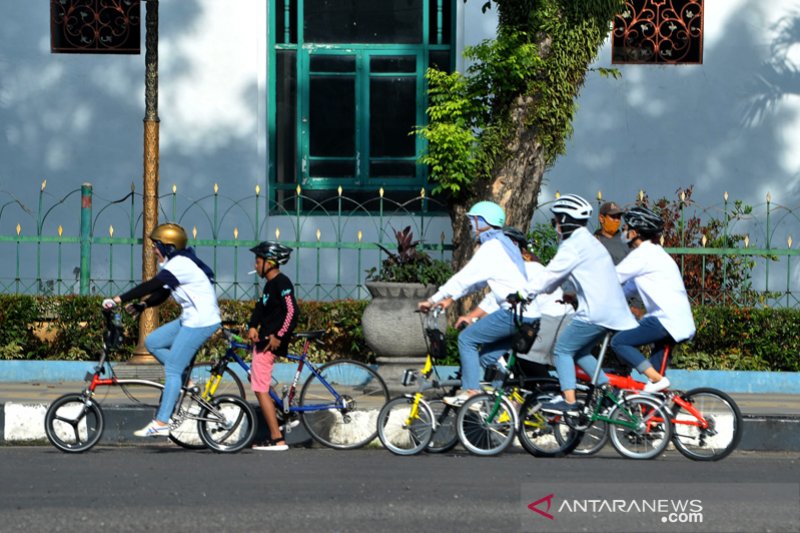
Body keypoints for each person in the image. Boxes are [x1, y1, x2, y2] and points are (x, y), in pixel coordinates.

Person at [103, 223, 221, 437]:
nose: (153, 250)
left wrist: (117, 299)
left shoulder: (181, 264)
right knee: (153, 342)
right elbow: (163, 293)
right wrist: (143, 305)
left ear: (169, 246)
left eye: (156, 245)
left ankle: (161, 421)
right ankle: (185, 378)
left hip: (201, 321)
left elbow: (152, 285)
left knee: (172, 370)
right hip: (189, 318)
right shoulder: (176, 263)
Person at [417, 201, 540, 407]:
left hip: (514, 313)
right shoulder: (504, 244)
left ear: (484, 222)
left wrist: (433, 299)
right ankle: (497, 404)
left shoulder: (491, 247)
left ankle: (472, 393)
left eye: (473, 221)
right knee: (484, 359)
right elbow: (479, 282)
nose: (471, 226)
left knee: (466, 339)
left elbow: (463, 278)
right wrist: (450, 299)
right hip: (529, 316)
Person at [524, 194, 638, 414]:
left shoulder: (572, 245)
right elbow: (559, 280)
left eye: (555, 220)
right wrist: (555, 291)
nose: (555, 225)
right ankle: (606, 390)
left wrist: (523, 293)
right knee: (580, 352)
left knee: (561, 350)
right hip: (612, 311)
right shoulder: (588, 241)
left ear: (565, 219)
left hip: (596, 313)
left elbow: (550, 274)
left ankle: (569, 402)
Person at [456, 227, 573, 379]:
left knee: (527, 358)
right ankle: (499, 398)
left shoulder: (529, 268)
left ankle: (548, 394)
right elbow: (494, 299)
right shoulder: (510, 270)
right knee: (488, 358)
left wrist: (471, 317)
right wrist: (473, 317)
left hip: (553, 317)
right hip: (541, 318)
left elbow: (495, 301)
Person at [610, 206, 697, 392]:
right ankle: (655, 413)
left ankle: (657, 380)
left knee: (619, 342)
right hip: (673, 322)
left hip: (664, 321)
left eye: (626, 228)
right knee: (654, 380)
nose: (623, 231)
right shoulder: (654, 254)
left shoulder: (643, 255)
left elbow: (612, 278)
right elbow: (627, 289)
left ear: (636, 233)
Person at [247, 240, 299, 451]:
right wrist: (252, 325)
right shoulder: (269, 285)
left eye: (258, 261)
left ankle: (277, 438)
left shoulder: (282, 282)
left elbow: (292, 312)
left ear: (269, 262)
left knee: (259, 389)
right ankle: (282, 410)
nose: (255, 266)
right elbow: (261, 308)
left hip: (270, 343)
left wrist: (279, 335)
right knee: (257, 379)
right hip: (263, 341)